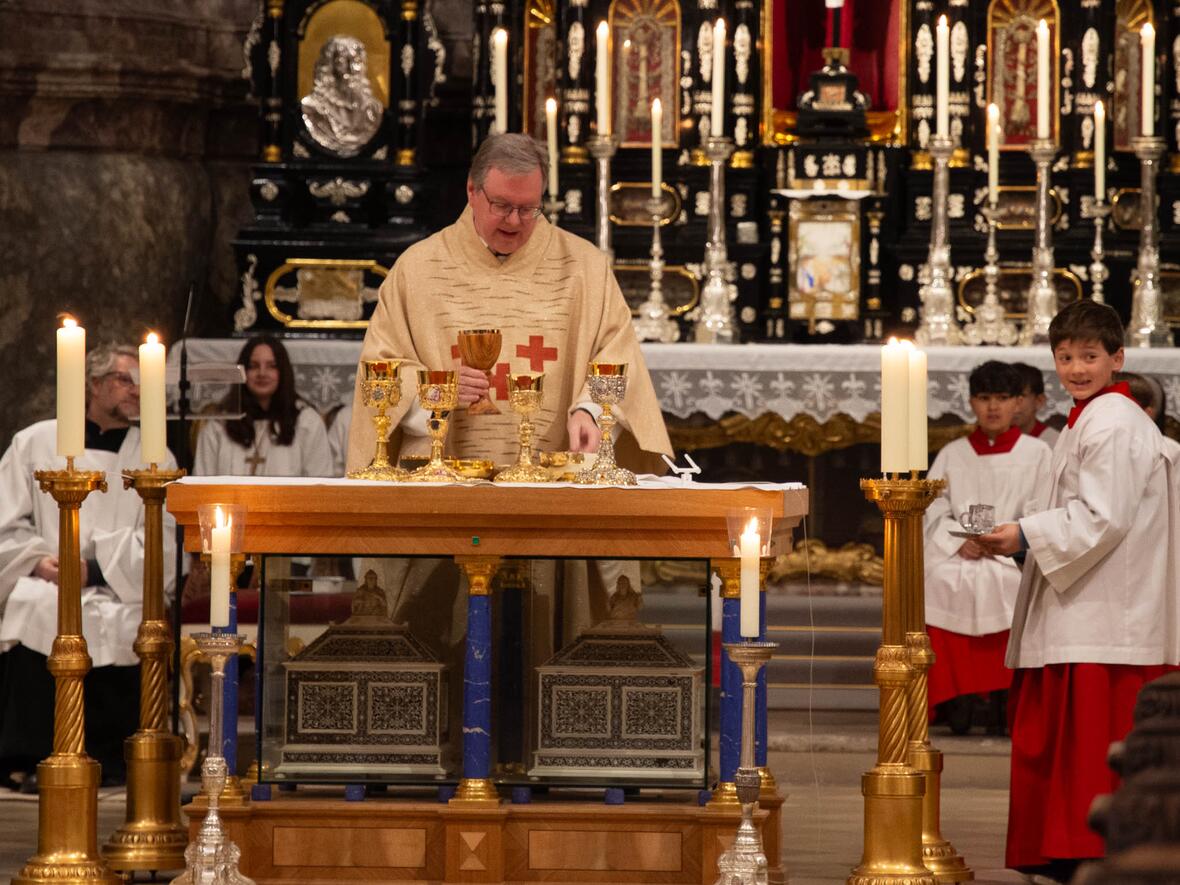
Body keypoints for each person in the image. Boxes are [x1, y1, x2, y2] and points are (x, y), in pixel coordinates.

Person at [344, 132, 672, 686]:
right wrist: (436, 392)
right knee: (444, 654)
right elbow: (380, 368)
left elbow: (615, 353)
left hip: (551, 494)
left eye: (529, 208)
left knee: (546, 649)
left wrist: (589, 411)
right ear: (472, 192)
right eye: (502, 205)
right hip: (446, 495)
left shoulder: (584, 268)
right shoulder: (418, 269)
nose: (516, 222)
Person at [978, 301, 1180, 883]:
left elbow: (1102, 517)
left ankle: (1084, 852)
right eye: (1065, 357)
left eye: (1089, 356)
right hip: (1093, 608)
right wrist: (1026, 534)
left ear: (1118, 358)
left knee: (1089, 746)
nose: (1076, 368)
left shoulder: (1112, 422)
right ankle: (1068, 853)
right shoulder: (1093, 416)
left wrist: (1024, 534)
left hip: (1104, 616)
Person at [0, 343, 178, 789]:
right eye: (124, 380)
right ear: (94, 385)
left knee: (124, 621)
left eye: (143, 383)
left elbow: (163, 542)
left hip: (119, 588)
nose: (136, 391)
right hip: (48, 580)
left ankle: (110, 759)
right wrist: (37, 562)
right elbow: (6, 521)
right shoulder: (35, 442)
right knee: (35, 607)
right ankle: (30, 756)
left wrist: (95, 572)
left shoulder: (156, 457)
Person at [923, 361, 1052, 735]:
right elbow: (934, 507)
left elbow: (1044, 506)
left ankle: (1003, 700)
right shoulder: (953, 454)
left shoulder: (1037, 453)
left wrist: (1009, 537)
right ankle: (958, 701)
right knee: (940, 581)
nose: (993, 407)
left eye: (1002, 398)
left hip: (1010, 554)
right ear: (970, 403)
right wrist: (960, 540)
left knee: (1010, 584)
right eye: (983, 398)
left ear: (1018, 403)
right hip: (961, 550)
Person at [194, 336, 332, 479]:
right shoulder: (220, 424)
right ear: (243, 372)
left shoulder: (307, 422)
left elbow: (320, 483)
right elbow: (201, 480)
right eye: (253, 366)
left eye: (271, 366)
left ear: (283, 372)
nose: (262, 373)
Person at [300, 35, 383, 157]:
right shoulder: (312, 107)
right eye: (342, 62)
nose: (351, 69)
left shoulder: (373, 109)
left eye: (356, 61)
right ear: (329, 66)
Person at [1010, 362, 1059, 447]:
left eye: (1020, 396)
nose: (1012, 404)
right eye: (1005, 397)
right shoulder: (990, 439)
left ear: (1039, 400)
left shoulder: (1054, 442)